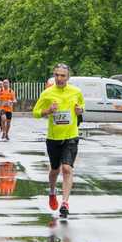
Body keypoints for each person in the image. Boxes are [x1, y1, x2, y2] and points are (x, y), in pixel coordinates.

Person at [32, 64, 84, 218]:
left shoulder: (76, 92)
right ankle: (52, 191)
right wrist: (48, 111)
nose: (60, 78)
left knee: (67, 169)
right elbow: (35, 113)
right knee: (55, 170)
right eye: (57, 75)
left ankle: (65, 203)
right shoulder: (47, 93)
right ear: (54, 76)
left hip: (71, 136)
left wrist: (80, 110)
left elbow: (82, 106)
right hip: (53, 138)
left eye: (63, 76)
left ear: (68, 77)